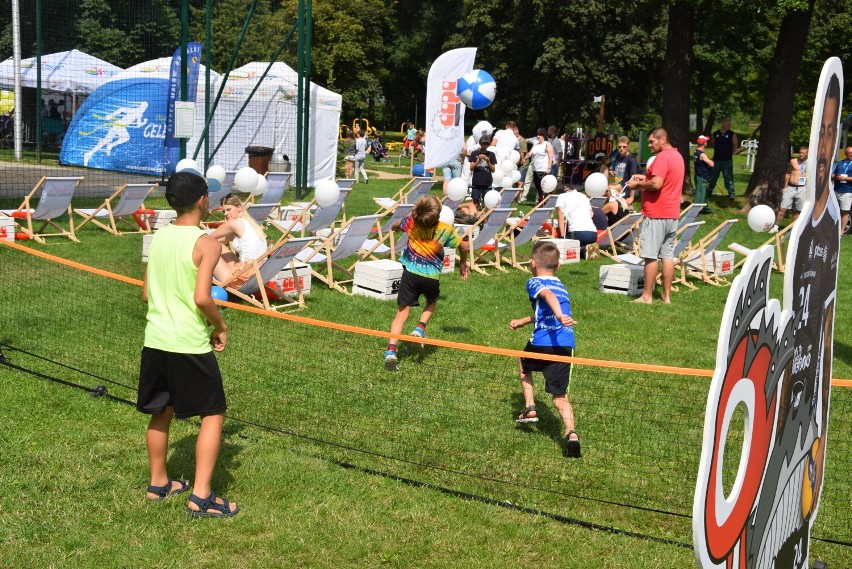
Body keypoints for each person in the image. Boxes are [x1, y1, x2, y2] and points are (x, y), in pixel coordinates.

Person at [138, 171, 239, 518]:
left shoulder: (159, 236)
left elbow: (146, 293)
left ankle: (158, 484)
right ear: (202, 201)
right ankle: (202, 496)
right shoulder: (207, 243)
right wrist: (220, 324)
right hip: (188, 344)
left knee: (160, 412)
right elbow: (201, 297)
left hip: (155, 340)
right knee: (213, 413)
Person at [508, 240, 581, 458]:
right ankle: (571, 433)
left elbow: (547, 296)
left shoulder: (534, 282)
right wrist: (523, 320)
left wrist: (559, 316)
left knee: (522, 361)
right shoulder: (561, 284)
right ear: (557, 266)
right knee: (560, 397)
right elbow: (545, 310)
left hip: (541, 343)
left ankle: (530, 406)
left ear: (532, 263)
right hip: (564, 345)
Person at [384, 194, 469, 370]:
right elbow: (463, 246)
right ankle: (420, 328)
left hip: (410, 274)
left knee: (401, 314)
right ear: (438, 215)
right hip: (431, 277)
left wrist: (394, 228)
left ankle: (391, 351)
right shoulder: (445, 229)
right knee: (431, 302)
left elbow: (395, 225)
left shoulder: (411, 222)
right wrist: (462, 262)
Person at [625, 127, 684, 304]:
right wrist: (643, 178)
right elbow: (664, 181)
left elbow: (657, 184)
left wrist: (638, 186)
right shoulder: (678, 156)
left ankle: (647, 296)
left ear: (663, 139)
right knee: (667, 256)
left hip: (657, 213)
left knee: (650, 255)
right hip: (672, 214)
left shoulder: (662, 157)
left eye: (652, 141)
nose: (649, 145)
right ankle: (666, 296)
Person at [210, 193, 268, 287]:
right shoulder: (249, 224)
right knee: (217, 245)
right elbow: (219, 241)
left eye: (229, 210)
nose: (226, 214)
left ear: (239, 208)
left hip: (244, 278)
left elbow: (207, 238)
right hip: (259, 275)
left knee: (207, 247)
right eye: (224, 211)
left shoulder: (234, 223)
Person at [772, 145, 808, 232]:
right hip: (791, 187)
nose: (801, 155)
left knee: (798, 211)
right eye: (800, 153)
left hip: (802, 189)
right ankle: (776, 227)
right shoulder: (793, 161)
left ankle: (794, 229)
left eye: (803, 153)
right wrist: (785, 186)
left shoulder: (811, 163)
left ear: (807, 154)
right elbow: (787, 174)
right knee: (783, 208)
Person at [707, 117, 738, 199]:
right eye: (728, 124)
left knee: (728, 177)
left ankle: (731, 192)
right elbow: (713, 144)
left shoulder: (732, 134)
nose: (729, 126)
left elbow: (735, 145)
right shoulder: (715, 133)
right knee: (713, 176)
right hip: (716, 159)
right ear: (723, 124)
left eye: (730, 125)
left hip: (727, 160)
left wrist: (732, 152)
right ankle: (709, 190)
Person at [524, 128, 554, 203]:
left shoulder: (547, 144)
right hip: (535, 169)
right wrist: (524, 158)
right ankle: (542, 201)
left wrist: (549, 168)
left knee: (543, 187)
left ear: (543, 136)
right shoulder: (536, 145)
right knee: (537, 186)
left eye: (540, 135)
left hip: (543, 169)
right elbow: (530, 153)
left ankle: (543, 202)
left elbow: (551, 158)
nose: (538, 136)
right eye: (537, 135)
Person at [468, 134, 497, 207]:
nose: (485, 145)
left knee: (487, 201)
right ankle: (475, 215)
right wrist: (478, 160)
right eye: (483, 143)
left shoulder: (491, 154)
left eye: (487, 143)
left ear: (489, 144)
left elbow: (493, 170)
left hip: (487, 181)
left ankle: (484, 216)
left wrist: (488, 161)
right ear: (480, 143)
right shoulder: (474, 153)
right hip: (476, 181)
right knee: (475, 201)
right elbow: (471, 168)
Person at [831, 144, 852, 234]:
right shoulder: (840, 163)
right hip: (836, 190)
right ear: (846, 153)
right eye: (850, 152)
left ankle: (841, 232)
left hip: (847, 191)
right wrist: (834, 176)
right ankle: (832, 229)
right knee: (833, 210)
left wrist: (845, 178)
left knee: (844, 211)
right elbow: (833, 174)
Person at [693, 135, 715, 213]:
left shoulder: (696, 152)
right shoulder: (702, 154)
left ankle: (706, 209)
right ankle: (694, 211)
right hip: (702, 177)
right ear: (704, 143)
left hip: (698, 175)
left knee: (703, 193)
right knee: (700, 195)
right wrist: (712, 162)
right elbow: (711, 164)